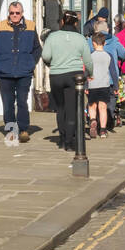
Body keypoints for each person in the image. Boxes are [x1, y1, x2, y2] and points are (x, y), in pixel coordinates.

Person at [40, 11, 93, 150]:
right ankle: (69, 142)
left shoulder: (52, 37)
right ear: (76, 23)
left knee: (61, 109)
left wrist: (54, 63)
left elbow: (45, 56)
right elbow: (88, 60)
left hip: (56, 75)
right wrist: (90, 73)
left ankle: (62, 138)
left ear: (62, 21)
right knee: (71, 109)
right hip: (74, 77)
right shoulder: (80, 38)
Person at [0, 1, 41, 144]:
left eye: (17, 13)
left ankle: (24, 129)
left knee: (22, 102)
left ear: (22, 13)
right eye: (12, 13)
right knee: (8, 103)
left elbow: (37, 49)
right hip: (5, 72)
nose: (14, 15)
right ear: (9, 13)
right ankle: (11, 130)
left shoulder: (30, 26)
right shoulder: (0, 26)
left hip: (24, 72)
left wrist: (31, 63)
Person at [87, 33, 117, 138]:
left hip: (92, 85)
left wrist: (86, 86)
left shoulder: (90, 56)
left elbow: (86, 71)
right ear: (104, 43)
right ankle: (103, 130)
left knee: (92, 106)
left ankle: (93, 121)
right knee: (103, 107)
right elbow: (113, 72)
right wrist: (116, 86)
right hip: (105, 85)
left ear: (93, 43)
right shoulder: (109, 56)